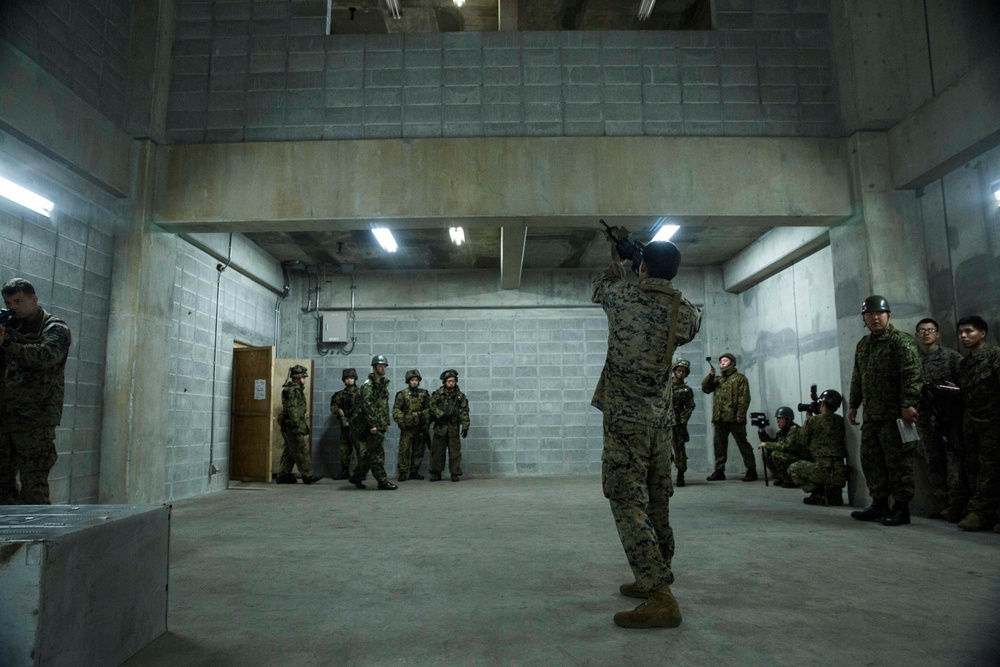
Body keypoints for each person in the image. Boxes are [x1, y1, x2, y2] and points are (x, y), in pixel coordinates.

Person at [591, 232, 701, 629]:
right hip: (660, 420)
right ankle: (655, 573)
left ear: (642, 267)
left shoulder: (623, 297)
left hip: (625, 419)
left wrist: (619, 259)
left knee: (626, 500)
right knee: (657, 497)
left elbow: (601, 286)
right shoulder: (681, 309)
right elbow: (692, 322)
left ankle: (659, 594)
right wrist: (648, 270)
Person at [847, 295, 922, 527]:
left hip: (895, 416)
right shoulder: (863, 345)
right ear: (864, 318)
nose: (875, 318)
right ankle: (879, 504)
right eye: (870, 314)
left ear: (888, 315)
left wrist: (908, 403)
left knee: (899, 463)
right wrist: (853, 404)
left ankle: (901, 509)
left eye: (879, 313)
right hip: (872, 416)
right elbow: (858, 376)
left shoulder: (902, 342)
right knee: (871, 460)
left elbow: (912, 374)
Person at [0, 278, 72, 504]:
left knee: (34, 486)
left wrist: (7, 343)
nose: (14, 307)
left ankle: (37, 539)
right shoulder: (10, 326)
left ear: (34, 299)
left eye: (19, 301)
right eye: (9, 302)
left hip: (35, 420)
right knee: (2, 486)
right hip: (5, 417)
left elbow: (45, 357)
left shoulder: (55, 328)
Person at [914, 318, 967, 521]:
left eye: (931, 330)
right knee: (933, 461)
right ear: (917, 335)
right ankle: (940, 503)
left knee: (954, 462)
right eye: (922, 330)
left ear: (938, 334)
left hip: (949, 418)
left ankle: (956, 506)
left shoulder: (951, 357)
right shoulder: (912, 360)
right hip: (925, 420)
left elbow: (965, 386)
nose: (926, 333)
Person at [954, 316, 1000, 532]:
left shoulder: (995, 357)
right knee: (973, 468)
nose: (964, 336)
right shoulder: (965, 364)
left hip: (992, 424)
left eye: (969, 331)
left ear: (982, 333)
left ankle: (982, 513)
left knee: (991, 469)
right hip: (972, 425)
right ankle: (984, 513)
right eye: (961, 332)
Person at [788, 390, 849, 506]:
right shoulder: (840, 420)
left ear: (823, 404)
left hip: (822, 471)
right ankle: (834, 493)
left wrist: (807, 420)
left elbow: (802, 442)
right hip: (840, 473)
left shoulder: (813, 421)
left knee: (793, 468)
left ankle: (819, 494)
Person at [702, 353, 757, 482]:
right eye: (721, 361)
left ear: (732, 363)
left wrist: (741, 414)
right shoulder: (718, 380)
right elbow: (705, 389)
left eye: (725, 361)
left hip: (734, 418)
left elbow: (744, 398)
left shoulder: (739, 379)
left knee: (742, 443)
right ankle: (719, 470)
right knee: (719, 445)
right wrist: (710, 376)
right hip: (720, 418)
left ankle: (751, 469)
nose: (722, 363)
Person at [349, 355, 397, 490]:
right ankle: (382, 482)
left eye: (384, 366)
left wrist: (385, 423)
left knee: (370, 454)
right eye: (380, 366)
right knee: (377, 455)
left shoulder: (381, 386)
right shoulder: (368, 386)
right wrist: (373, 425)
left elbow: (383, 406)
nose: (383, 368)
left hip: (379, 425)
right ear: (374, 367)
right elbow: (367, 407)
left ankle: (357, 476)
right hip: (370, 426)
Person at [276, 364, 321, 485]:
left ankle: (283, 475)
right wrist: (296, 426)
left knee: (290, 451)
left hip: (289, 424)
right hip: (293, 425)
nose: (304, 380)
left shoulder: (292, 389)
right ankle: (308, 475)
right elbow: (292, 409)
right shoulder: (293, 390)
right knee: (301, 450)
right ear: (297, 378)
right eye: (302, 377)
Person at [429, 369, 470, 482]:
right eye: (449, 381)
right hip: (440, 427)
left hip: (453, 428)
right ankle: (436, 473)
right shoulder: (438, 394)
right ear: (444, 382)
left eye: (453, 381)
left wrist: (465, 426)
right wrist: (441, 415)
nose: (451, 383)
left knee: (455, 452)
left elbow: (464, 411)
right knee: (438, 452)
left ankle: (455, 473)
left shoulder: (460, 396)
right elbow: (431, 406)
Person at [393, 369, 430, 481]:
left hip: (420, 427)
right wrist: (400, 421)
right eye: (412, 380)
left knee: (418, 450)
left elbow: (429, 408)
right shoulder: (402, 394)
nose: (414, 382)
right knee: (404, 450)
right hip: (407, 427)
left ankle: (414, 471)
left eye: (416, 380)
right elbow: (397, 409)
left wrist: (426, 420)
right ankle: (403, 472)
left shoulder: (424, 394)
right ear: (408, 381)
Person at [758, 407, 806, 487]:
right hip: (791, 458)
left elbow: (786, 446)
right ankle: (781, 477)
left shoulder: (794, 430)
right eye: (777, 418)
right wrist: (762, 431)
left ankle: (791, 480)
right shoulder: (783, 431)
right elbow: (774, 443)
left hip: (800, 459)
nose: (778, 421)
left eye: (780, 418)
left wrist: (767, 444)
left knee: (776, 454)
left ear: (788, 419)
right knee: (767, 455)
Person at [329, 368, 360, 481]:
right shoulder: (340, 395)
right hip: (345, 425)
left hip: (358, 426)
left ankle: (361, 471)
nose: (349, 380)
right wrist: (338, 410)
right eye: (347, 378)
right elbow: (333, 406)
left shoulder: (361, 392)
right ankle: (345, 471)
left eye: (351, 378)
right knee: (344, 449)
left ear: (355, 379)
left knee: (360, 448)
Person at [670, 359, 695, 487]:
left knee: (679, 449)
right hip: (663, 423)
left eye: (684, 371)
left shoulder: (686, 390)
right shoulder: (665, 386)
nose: (680, 373)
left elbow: (690, 406)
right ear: (674, 371)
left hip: (678, 423)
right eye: (679, 370)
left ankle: (680, 473)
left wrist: (683, 420)